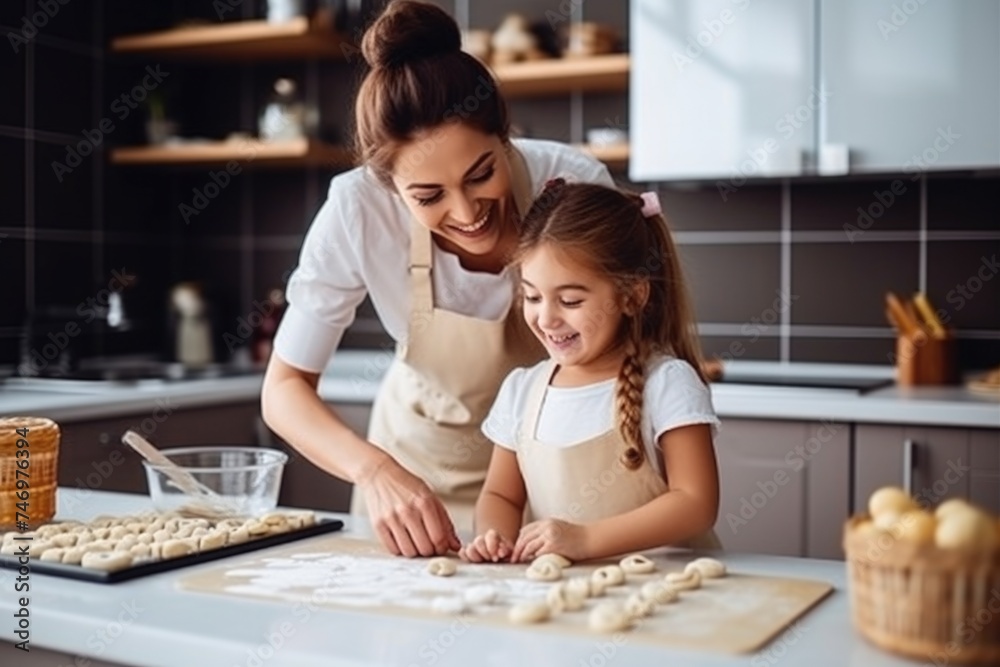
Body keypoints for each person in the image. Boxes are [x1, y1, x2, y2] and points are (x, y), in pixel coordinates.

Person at [260, 0, 614, 558]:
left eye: (482, 174)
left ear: (505, 136)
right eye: (427, 197)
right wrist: (374, 472)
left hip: (561, 481)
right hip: (422, 488)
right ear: (389, 187)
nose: (467, 212)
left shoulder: (570, 181)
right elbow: (283, 390)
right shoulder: (357, 210)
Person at [460, 180, 722, 564]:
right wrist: (493, 536)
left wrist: (585, 540)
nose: (546, 317)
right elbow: (500, 496)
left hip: (669, 598)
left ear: (632, 296)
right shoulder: (522, 390)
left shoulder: (668, 383)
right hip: (571, 602)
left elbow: (696, 503)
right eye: (532, 296)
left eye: (570, 300)